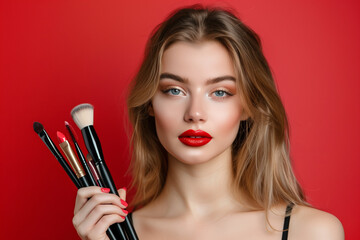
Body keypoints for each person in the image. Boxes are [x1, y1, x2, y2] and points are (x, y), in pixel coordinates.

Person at [72, 5, 344, 240]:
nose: (195, 113)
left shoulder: (311, 231)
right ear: (149, 104)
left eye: (220, 92)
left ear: (249, 106)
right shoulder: (115, 233)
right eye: (174, 90)